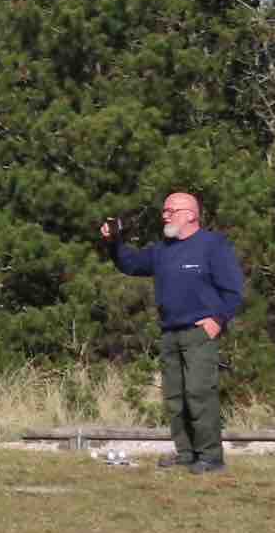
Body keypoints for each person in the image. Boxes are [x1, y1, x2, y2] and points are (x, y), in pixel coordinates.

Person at [98, 193, 246, 474]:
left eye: (171, 210)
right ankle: (186, 454)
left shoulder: (212, 245)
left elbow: (234, 290)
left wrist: (218, 319)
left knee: (199, 392)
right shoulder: (162, 250)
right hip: (169, 333)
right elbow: (130, 263)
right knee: (175, 397)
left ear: (191, 214)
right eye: (163, 211)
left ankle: (211, 458)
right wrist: (114, 243)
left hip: (199, 334)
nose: (164, 215)